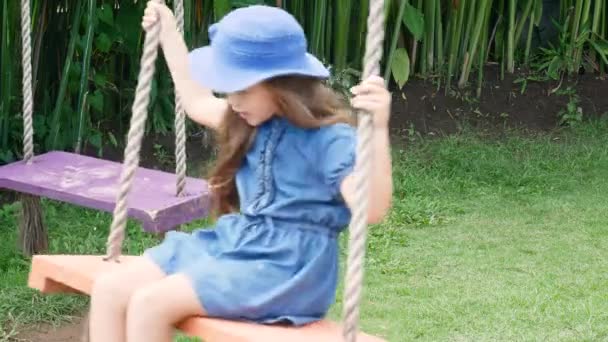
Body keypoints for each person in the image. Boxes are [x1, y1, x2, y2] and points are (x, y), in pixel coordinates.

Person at [88, 2, 393, 342]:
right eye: (228, 88)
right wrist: (169, 34)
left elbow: (373, 210)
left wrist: (377, 131)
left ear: (283, 86)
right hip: (236, 243)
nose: (233, 100)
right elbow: (196, 100)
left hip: (287, 268)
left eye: (242, 89)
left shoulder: (330, 140)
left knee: (150, 303)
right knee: (110, 288)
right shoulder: (249, 120)